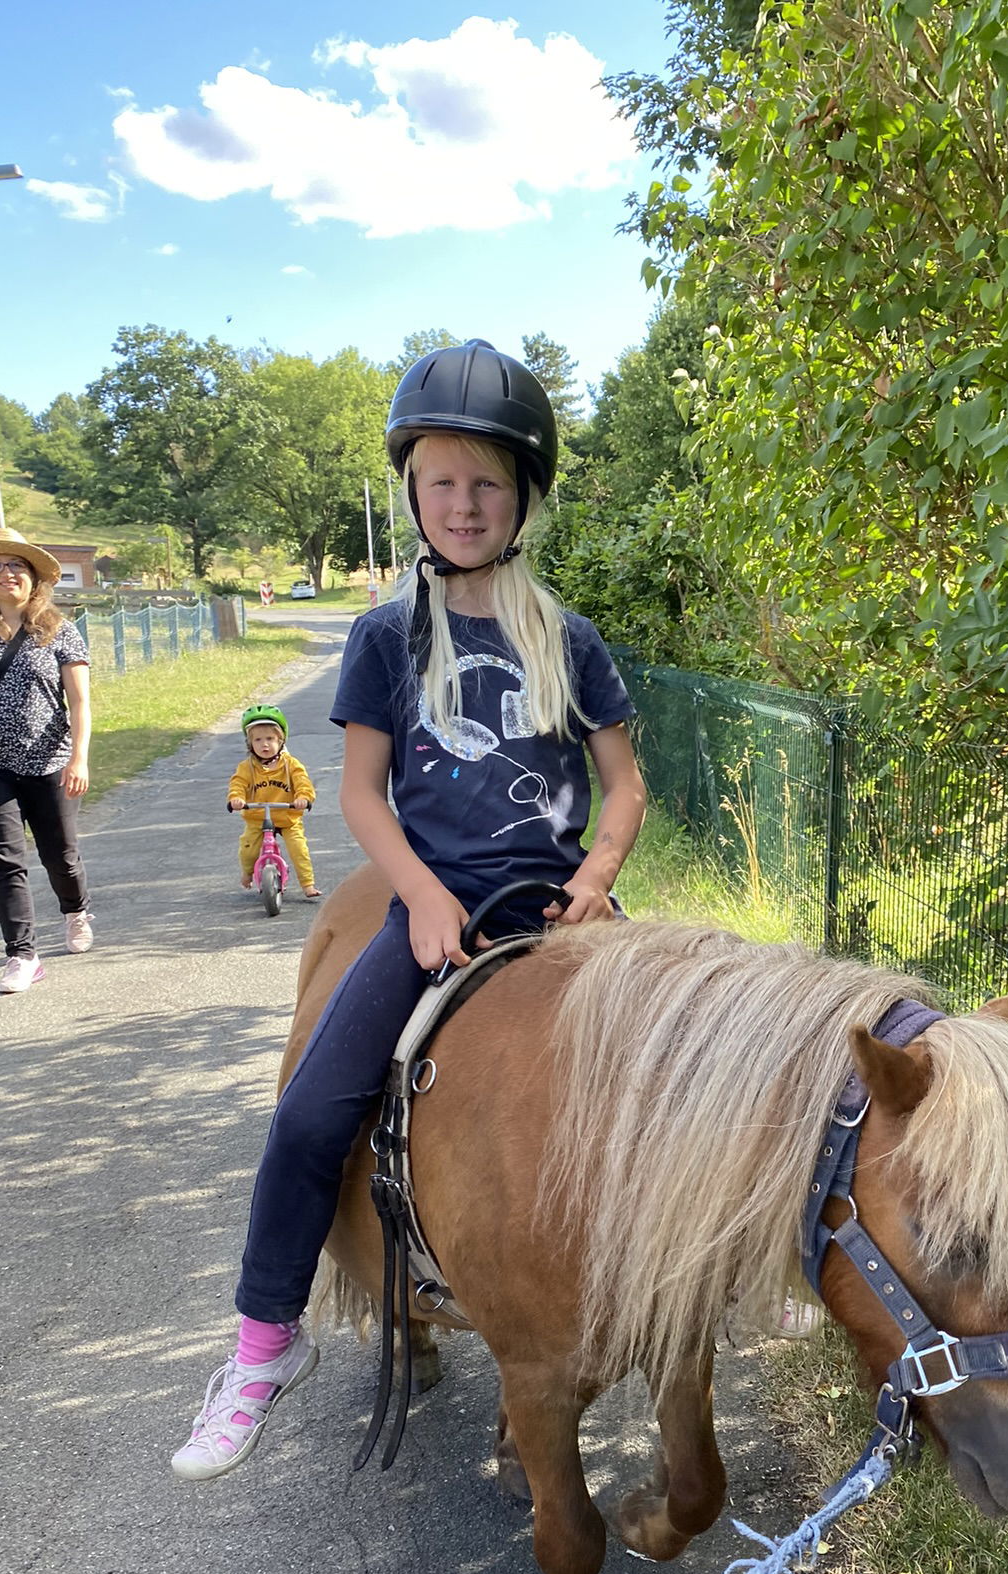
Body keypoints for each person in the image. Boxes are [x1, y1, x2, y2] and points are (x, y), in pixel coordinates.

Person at [171, 339, 648, 1480]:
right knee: (305, 1115)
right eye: (443, 481)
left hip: (560, 909)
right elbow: (359, 792)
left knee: (683, 1088)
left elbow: (622, 784)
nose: (466, 503)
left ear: (522, 496)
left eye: (488, 481)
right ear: (412, 493)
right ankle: (261, 1343)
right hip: (433, 909)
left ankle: (726, 1277)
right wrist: (423, 894)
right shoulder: (387, 636)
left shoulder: (566, 637)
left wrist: (595, 879)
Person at [0, 527, 95, 995]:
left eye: (16, 565)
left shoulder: (59, 630)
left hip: (50, 760)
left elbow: (80, 703)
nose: (7, 573)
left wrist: (79, 758)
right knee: (5, 861)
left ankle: (75, 910)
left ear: (33, 577)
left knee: (60, 855)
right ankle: (22, 955)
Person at [228, 704, 321, 899]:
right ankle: (247, 872)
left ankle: (308, 884)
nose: (265, 744)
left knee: (298, 848)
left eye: (270, 739)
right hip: (257, 817)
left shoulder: (291, 764)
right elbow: (238, 784)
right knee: (248, 849)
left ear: (281, 740)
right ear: (250, 744)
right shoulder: (247, 767)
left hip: (288, 816)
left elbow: (303, 783)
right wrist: (236, 798)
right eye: (258, 740)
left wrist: (303, 797)